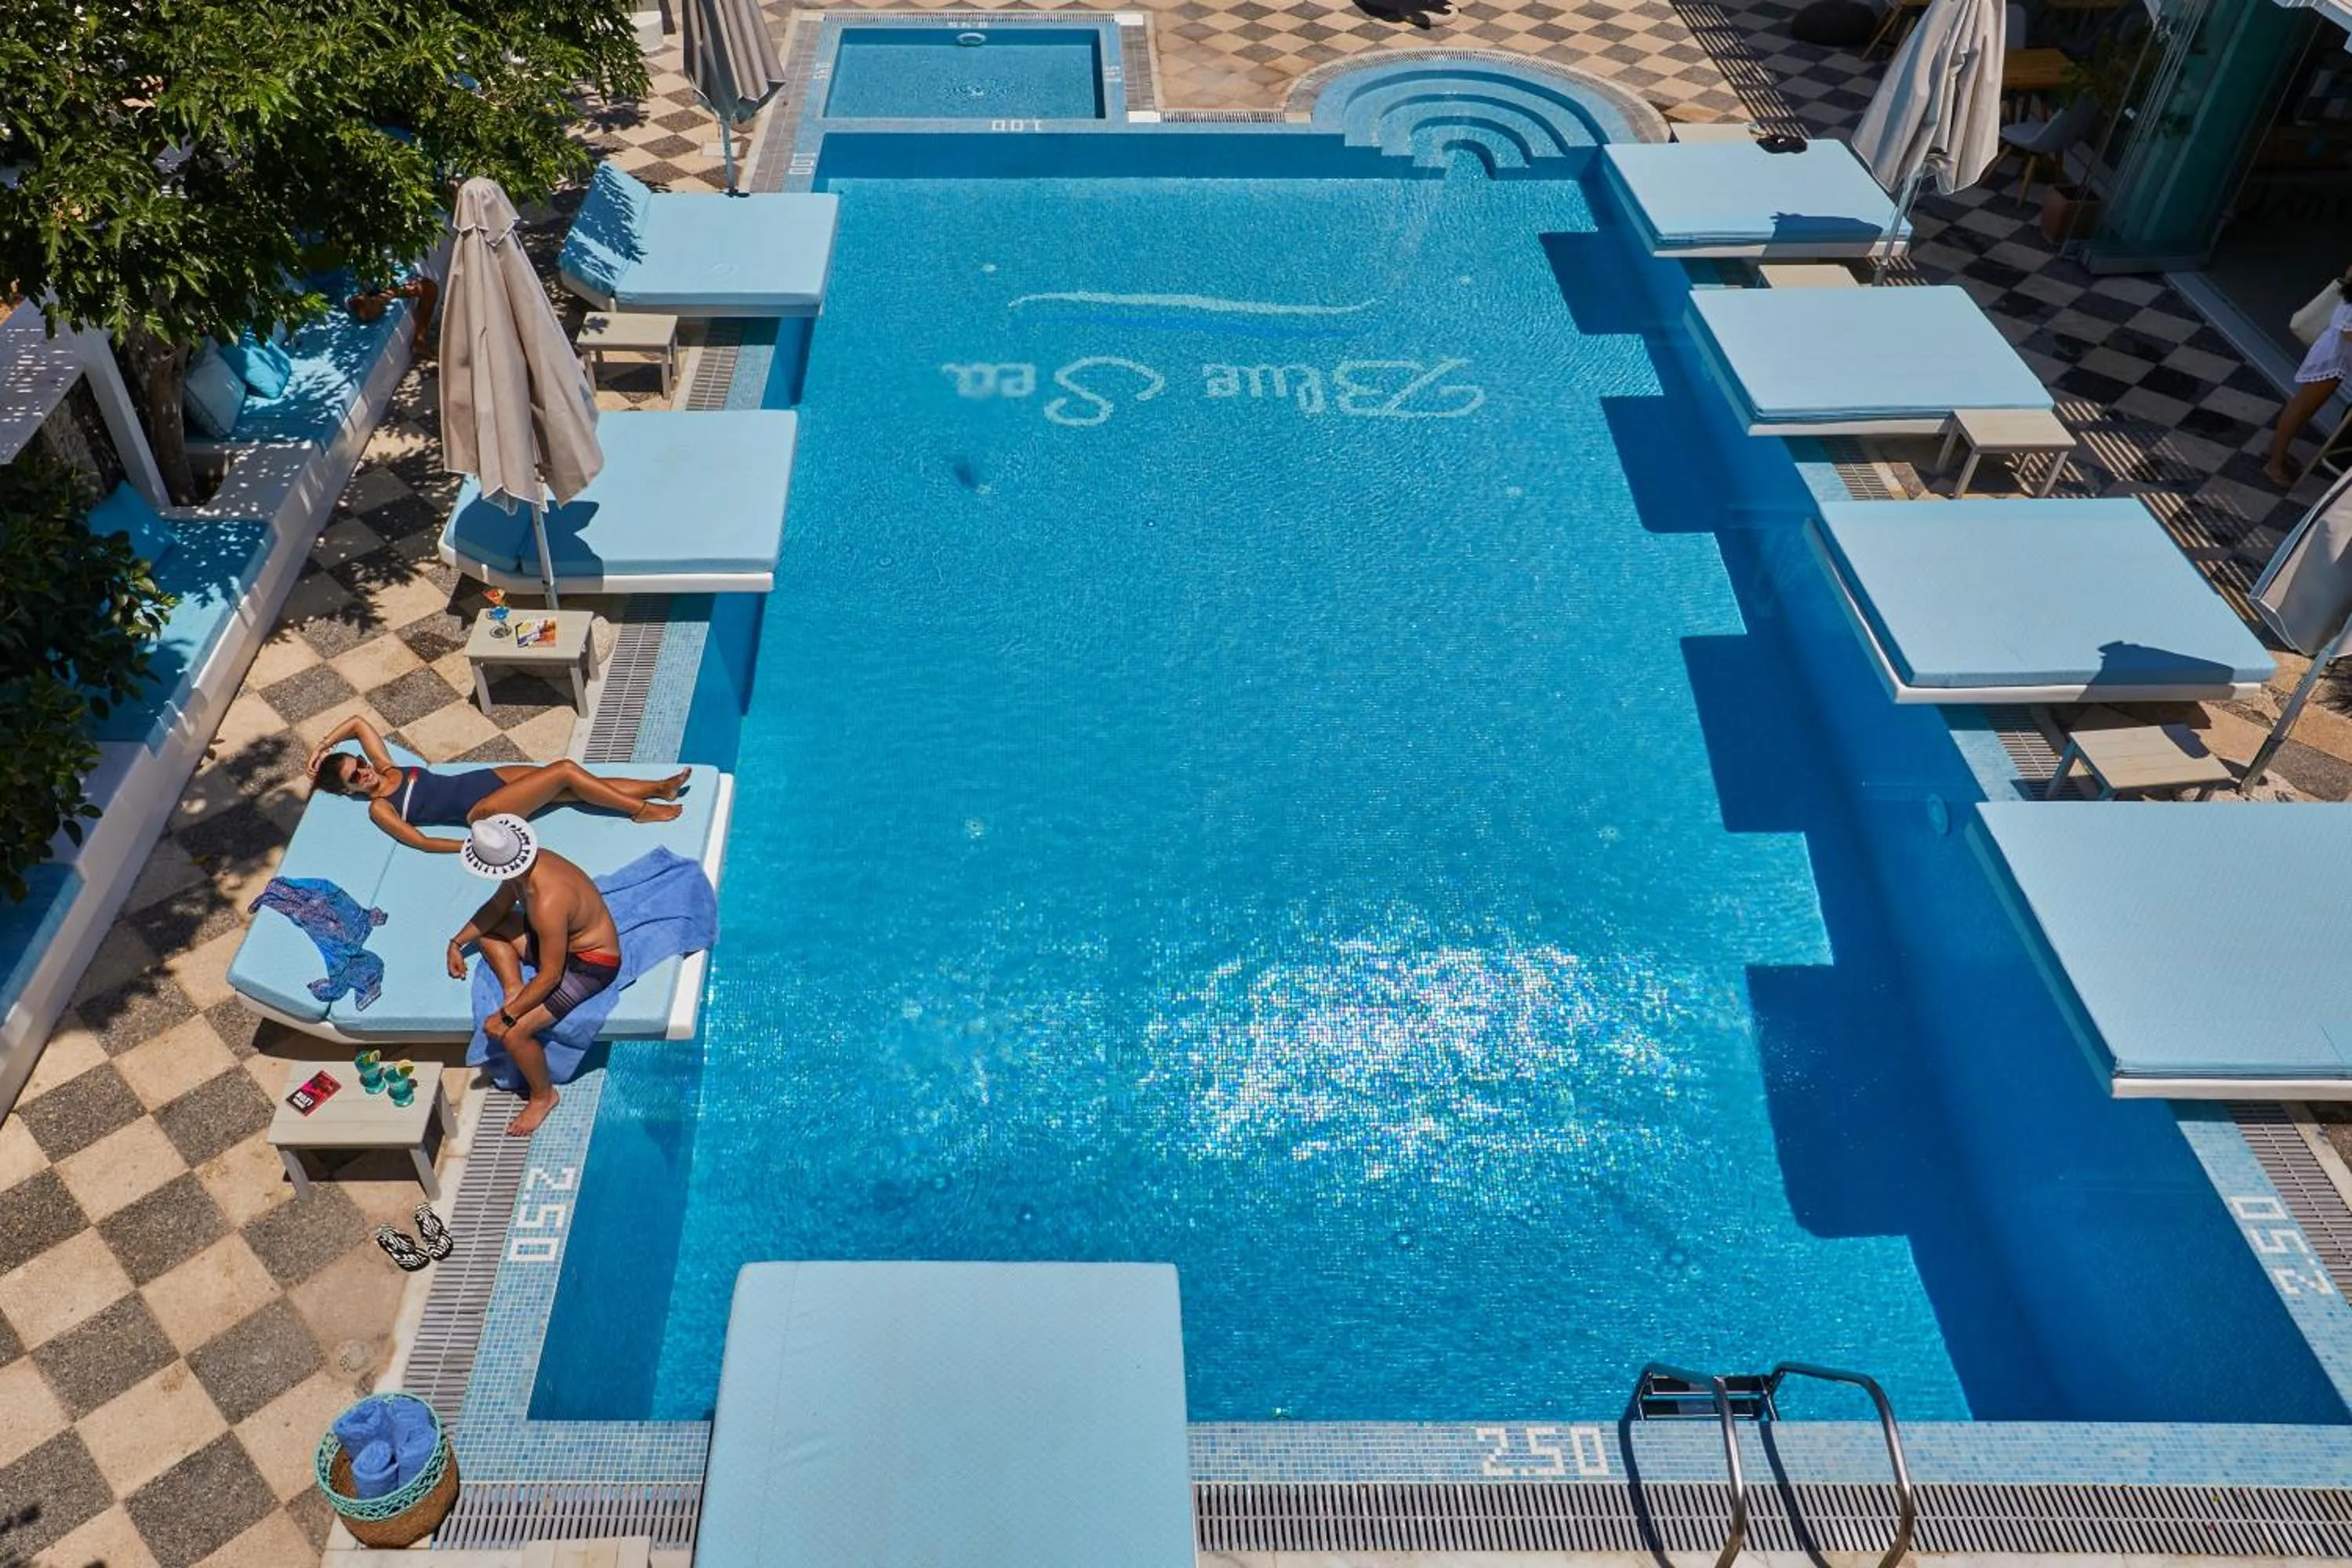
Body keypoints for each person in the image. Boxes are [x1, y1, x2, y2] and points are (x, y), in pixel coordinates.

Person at [446, 815, 618, 1137]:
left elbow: (551, 975)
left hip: (592, 962)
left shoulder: (546, 899)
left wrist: (507, 1016)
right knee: (489, 932)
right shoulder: (522, 868)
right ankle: (514, 987)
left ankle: (543, 1096)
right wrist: (457, 942)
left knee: (514, 1034)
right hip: (561, 943)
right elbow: (497, 908)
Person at [307, 714, 688, 853]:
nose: (364, 772)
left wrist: (323, 746)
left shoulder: (386, 766)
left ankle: (657, 788)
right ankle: (642, 811)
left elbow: (357, 723)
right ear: (348, 792)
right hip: (482, 810)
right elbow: (419, 841)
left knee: (577, 786)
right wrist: (471, 846)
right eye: (355, 778)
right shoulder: (380, 808)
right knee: (566, 772)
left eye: (359, 764)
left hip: (488, 779)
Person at [2267, 266, 2352, 486]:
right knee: (2302, 408)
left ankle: (2276, 450)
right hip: (2334, 354)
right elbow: (2347, 331)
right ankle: (2274, 463)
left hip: (2338, 353)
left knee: (2302, 408)